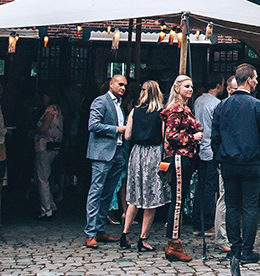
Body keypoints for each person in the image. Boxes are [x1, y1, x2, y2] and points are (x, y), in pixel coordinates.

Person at [212, 62, 260, 262]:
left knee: (231, 207)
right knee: (249, 207)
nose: (257, 82)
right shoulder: (257, 105)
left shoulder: (222, 106)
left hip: (228, 162)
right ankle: (247, 250)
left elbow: (215, 137)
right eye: (255, 78)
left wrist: (220, 156)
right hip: (251, 162)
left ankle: (235, 248)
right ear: (248, 80)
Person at [121, 80, 168, 252]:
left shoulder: (134, 111)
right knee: (151, 198)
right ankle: (143, 238)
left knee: (134, 195)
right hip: (154, 153)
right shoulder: (161, 113)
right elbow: (165, 137)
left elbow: (127, 135)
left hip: (137, 153)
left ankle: (125, 233)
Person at [83, 74, 129, 249]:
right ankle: (90, 232)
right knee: (96, 191)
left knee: (108, 193)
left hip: (117, 152)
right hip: (102, 153)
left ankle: (100, 230)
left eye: (125, 85)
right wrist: (117, 129)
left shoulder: (119, 105)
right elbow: (93, 125)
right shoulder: (100, 102)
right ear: (111, 84)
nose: (123, 88)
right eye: (120, 84)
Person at [160, 75, 202, 261]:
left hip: (186, 157)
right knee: (177, 200)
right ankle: (173, 244)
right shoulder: (175, 110)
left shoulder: (185, 109)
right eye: (186, 86)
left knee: (180, 199)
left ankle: (175, 241)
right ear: (177, 88)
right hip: (179, 158)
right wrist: (193, 137)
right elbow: (171, 135)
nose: (190, 89)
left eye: (191, 86)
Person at [191, 75, 224, 235]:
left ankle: (197, 220)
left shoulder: (198, 101)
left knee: (201, 186)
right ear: (218, 85)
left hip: (199, 147)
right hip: (210, 148)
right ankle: (207, 222)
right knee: (210, 187)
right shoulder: (216, 104)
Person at [33, 99, 63, 218]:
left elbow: (44, 127)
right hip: (54, 146)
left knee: (42, 178)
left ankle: (46, 210)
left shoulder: (50, 110)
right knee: (45, 177)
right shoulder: (58, 109)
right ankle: (51, 204)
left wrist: (35, 131)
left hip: (44, 146)